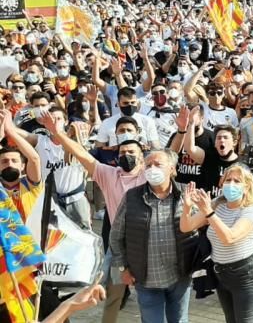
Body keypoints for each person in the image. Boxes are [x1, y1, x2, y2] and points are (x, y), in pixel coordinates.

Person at [39, 110, 148, 323]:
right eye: (123, 151)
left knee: (149, 297)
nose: (126, 155)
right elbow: (82, 155)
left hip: (147, 246)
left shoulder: (149, 175)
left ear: (142, 156)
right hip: (120, 248)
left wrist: (183, 130)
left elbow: (170, 156)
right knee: (113, 295)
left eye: (131, 152)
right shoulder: (109, 175)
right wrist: (58, 133)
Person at [109, 150, 199, 323]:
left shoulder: (186, 194)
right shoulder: (132, 197)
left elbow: (200, 227)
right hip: (146, 278)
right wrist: (122, 268)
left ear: (172, 169)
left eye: (158, 164)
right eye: (148, 165)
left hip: (180, 276)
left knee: (179, 320)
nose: (152, 169)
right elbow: (116, 235)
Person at [181, 165, 253, 323]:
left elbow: (229, 238)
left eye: (237, 181)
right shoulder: (217, 204)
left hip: (245, 273)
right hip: (221, 272)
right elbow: (186, 227)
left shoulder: (251, 210)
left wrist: (209, 213)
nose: (231, 184)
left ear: (247, 187)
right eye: (228, 180)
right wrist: (187, 207)